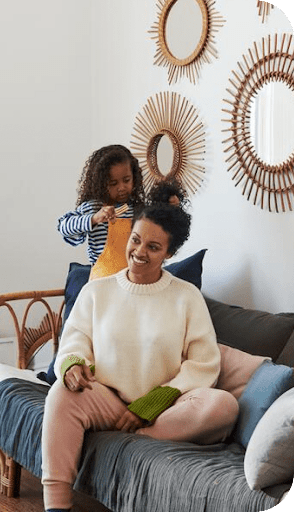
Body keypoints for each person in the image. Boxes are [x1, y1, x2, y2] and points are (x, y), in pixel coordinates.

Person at [41, 185, 239, 512]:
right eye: (135, 239)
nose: (139, 251)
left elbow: (203, 364)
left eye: (153, 246)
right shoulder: (97, 291)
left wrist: (153, 403)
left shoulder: (187, 296)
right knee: (60, 395)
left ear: (169, 254)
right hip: (108, 400)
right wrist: (73, 363)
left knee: (223, 405)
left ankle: (139, 437)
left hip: (163, 409)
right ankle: (57, 506)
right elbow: (75, 338)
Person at [57, 144, 146, 269]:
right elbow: (63, 227)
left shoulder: (140, 210)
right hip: (102, 279)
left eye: (126, 180)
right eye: (113, 183)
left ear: (134, 178)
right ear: (101, 184)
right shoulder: (92, 208)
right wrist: (94, 219)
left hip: (133, 276)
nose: (121, 187)